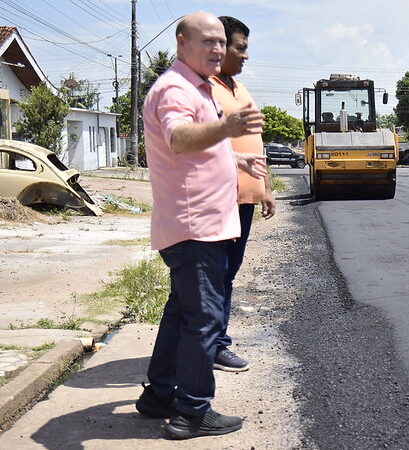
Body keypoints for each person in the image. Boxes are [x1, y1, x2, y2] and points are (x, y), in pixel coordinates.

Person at [134, 11, 266, 440]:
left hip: (200, 224)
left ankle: (158, 397)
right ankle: (192, 412)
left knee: (183, 313)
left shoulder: (196, 85)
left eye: (220, 42)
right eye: (207, 41)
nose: (217, 49)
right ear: (181, 43)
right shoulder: (175, 88)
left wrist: (235, 158)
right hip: (196, 227)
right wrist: (227, 127)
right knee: (205, 319)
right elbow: (178, 138)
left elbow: (197, 150)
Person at [210, 15, 275, 373]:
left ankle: (216, 340)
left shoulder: (238, 88)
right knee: (215, 273)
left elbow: (255, 142)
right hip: (221, 199)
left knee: (228, 272)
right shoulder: (207, 88)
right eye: (241, 48)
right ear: (219, 47)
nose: (246, 56)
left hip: (245, 199)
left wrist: (265, 188)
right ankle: (214, 344)